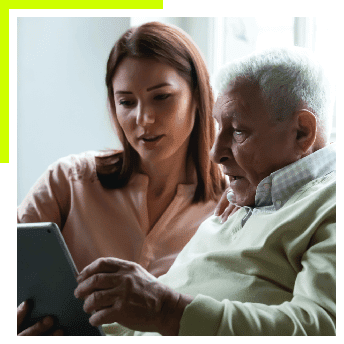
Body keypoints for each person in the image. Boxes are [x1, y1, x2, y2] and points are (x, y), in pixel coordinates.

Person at [19, 45, 336, 335]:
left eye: (238, 131)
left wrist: (165, 308)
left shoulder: (329, 203)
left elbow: (322, 329)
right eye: (218, 128)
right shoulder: (246, 194)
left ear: (302, 132)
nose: (216, 154)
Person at [17, 21, 230, 335]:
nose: (143, 119)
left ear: (199, 97)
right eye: (127, 102)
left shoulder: (231, 206)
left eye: (161, 97)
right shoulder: (67, 182)